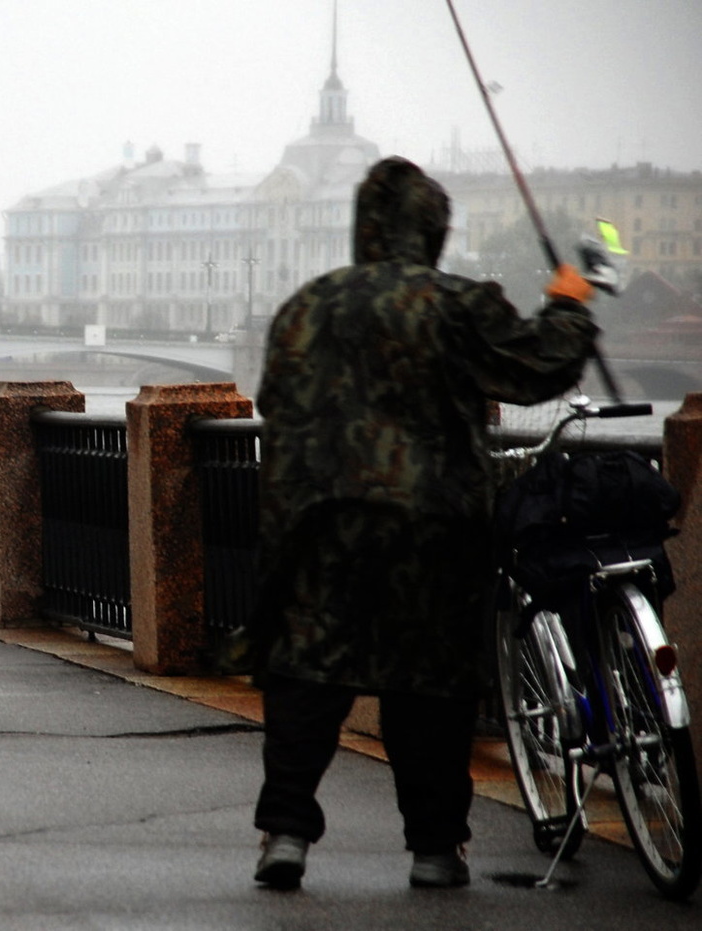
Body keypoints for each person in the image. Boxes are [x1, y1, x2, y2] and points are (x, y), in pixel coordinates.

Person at [250, 156, 599, 890]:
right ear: (432, 231)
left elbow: (273, 402)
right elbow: (540, 365)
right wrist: (570, 301)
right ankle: (436, 849)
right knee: (431, 682)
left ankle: (285, 833)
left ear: (363, 228)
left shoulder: (306, 305)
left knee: (308, 673)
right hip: (433, 525)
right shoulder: (455, 303)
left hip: (320, 522)